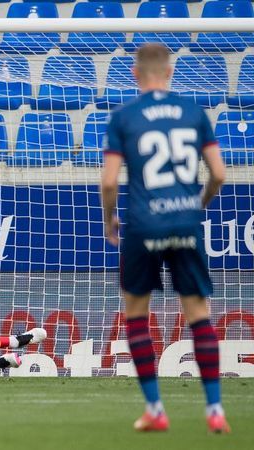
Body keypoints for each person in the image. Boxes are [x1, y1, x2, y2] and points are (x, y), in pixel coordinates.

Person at [101, 44, 229, 433]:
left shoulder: (123, 116)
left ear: (135, 75)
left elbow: (109, 180)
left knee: (137, 314)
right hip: (185, 223)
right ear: (170, 72)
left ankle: (156, 409)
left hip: (142, 225)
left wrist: (110, 220)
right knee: (198, 313)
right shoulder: (194, 114)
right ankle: (215, 411)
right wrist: (196, 205)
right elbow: (220, 174)